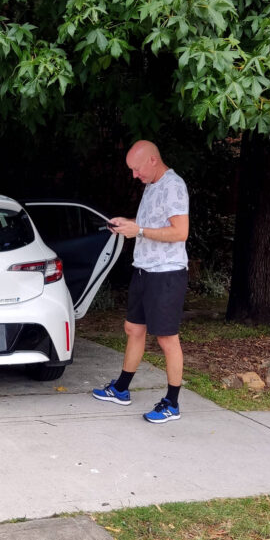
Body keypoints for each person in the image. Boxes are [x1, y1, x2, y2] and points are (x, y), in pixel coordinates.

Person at [93, 140, 189, 423]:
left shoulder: (173, 186)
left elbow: (180, 232)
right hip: (145, 269)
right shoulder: (152, 186)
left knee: (167, 338)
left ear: (152, 161)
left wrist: (141, 230)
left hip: (167, 273)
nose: (134, 176)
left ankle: (172, 403)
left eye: (136, 169)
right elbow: (149, 225)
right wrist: (128, 224)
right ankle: (121, 389)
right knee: (133, 328)